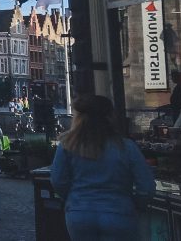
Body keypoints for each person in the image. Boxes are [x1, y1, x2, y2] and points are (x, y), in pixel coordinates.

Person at [51, 94, 155, 240]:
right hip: (119, 213)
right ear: (110, 117)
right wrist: (138, 204)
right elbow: (146, 186)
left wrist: (73, 200)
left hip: (79, 213)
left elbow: (58, 181)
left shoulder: (68, 146)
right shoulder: (126, 147)